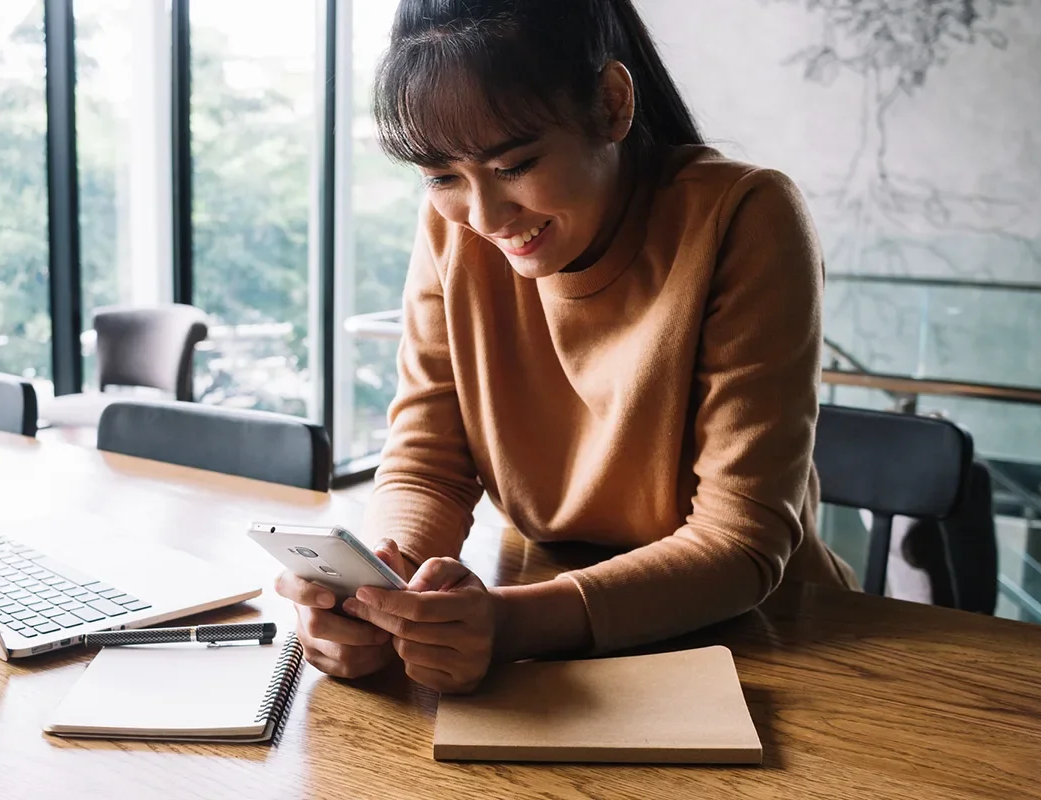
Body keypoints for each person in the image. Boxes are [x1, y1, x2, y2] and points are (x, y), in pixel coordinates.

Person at [275, 0, 860, 693]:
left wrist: (507, 626)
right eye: (441, 177)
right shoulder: (455, 231)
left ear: (612, 104)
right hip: (550, 626)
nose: (486, 218)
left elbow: (739, 543)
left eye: (515, 164)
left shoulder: (745, 217)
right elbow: (428, 465)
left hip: (765, 646)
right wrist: (381, 593)